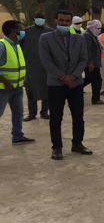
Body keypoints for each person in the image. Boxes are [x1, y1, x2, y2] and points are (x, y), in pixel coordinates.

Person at [39, 10, 92, 160]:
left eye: (66, 21)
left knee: (78, 116)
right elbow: (46, 61)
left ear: (70, 22)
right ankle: (57, 147)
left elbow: (83, 59)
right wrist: (63, 77)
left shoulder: (79, 39)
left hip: (76, 83)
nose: (64, 23)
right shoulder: (45, 38)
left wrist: (74, 76)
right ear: (56, 20)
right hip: (56, 84)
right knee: (56, 117)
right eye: (61, 20)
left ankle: (77, 144)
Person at [0, 20, 35, 145]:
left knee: (18, 113)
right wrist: (5, 82)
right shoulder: (2, 45)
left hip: (17, 87)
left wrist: (22, 79)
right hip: (3, 88)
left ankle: (17, 135)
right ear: (13, 31)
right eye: (20, 29)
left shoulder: (17, 45)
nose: (23, 31)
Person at [20, 12, 52, 121]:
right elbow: (19, 46)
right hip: (30, 66)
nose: (40, 20)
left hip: (46, 67)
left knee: (47, 90)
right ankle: (32, 113)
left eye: (41, 18)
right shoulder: (25, 32)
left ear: (45, 20)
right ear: (34, 19)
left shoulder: (50, 31)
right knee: (31, 90)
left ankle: (44, 112)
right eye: (38, 18)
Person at [83, 20, 104, 105]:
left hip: (94, 63)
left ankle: (96, 99)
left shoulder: (93, 35)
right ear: (93, 28)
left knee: (91, 80)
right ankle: (96, 99)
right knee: (96, 80)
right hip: (91, 64)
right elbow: (87, 50)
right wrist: (90, 62)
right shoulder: (87, 36)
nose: (99, 30)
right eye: (98, 28)